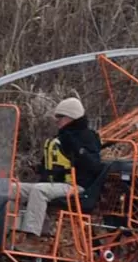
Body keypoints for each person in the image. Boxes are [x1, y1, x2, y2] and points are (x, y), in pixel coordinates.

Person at [10, 97, 103, 251]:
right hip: (55, 184)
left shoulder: (86, 138)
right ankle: (5, 229)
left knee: (39, 191)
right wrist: (37, 169)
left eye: (60, 118)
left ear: (69, 118)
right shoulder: (61, 137)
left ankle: (33, 238)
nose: (57, 121)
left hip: (76, 186)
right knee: (12, 188)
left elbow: (94, 165)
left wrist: (79, 151)